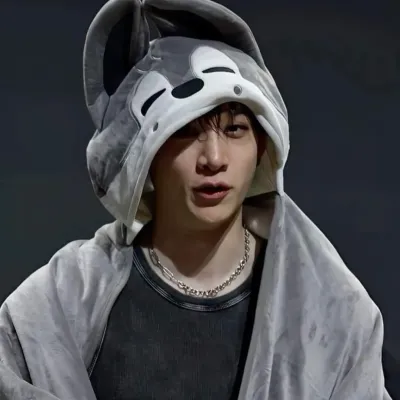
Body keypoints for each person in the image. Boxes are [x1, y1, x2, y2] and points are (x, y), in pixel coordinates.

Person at [0, 0, 391, 399]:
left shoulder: (330, 313)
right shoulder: (62, 301)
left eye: (235, 129)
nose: (214, 158)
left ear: (262, 145)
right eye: (184, 131)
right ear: (144, 154)